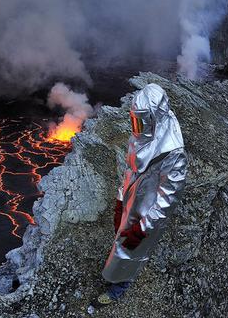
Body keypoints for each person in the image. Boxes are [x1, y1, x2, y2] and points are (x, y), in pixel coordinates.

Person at [94, 83, 187, 306]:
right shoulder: (144, 135)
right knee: (122, 242)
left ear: (155, 117)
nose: (136, 127)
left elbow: (166, 201)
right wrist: (120, 199)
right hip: (132, 201)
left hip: (147, 215)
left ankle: (119, 288)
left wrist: (142, 228)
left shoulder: (174, 153)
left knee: (131, 250)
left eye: (141, 120)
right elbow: (130, 169)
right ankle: (114, 274)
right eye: (134, 120)